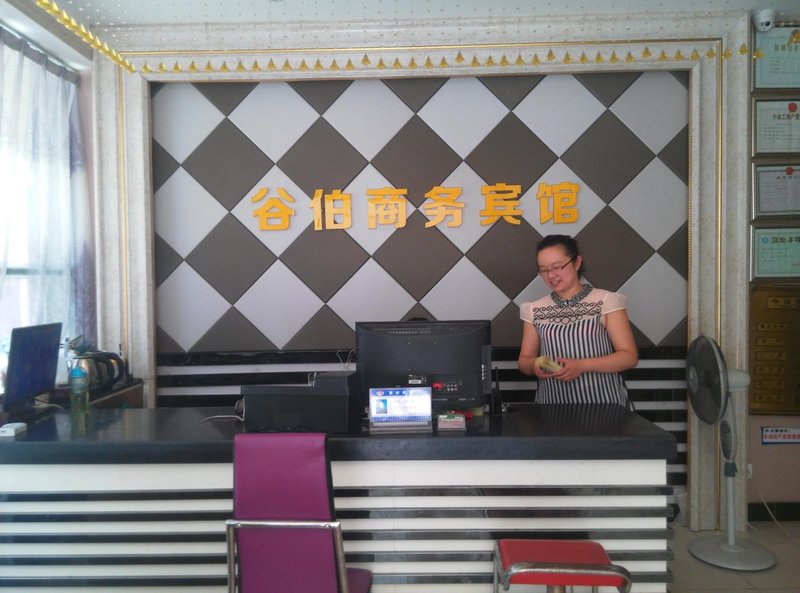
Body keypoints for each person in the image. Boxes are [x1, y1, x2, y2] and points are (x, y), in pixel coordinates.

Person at [518, 234, 638, 407]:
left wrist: (582, 365)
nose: (551, 275)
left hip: (605, 405)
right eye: (544, 270)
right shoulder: (533, 309)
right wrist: (533, 364)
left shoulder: (606, 301)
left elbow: (629, 357)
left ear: (577, 262)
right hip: (552, 405)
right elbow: (524, 360)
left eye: (557, 267)